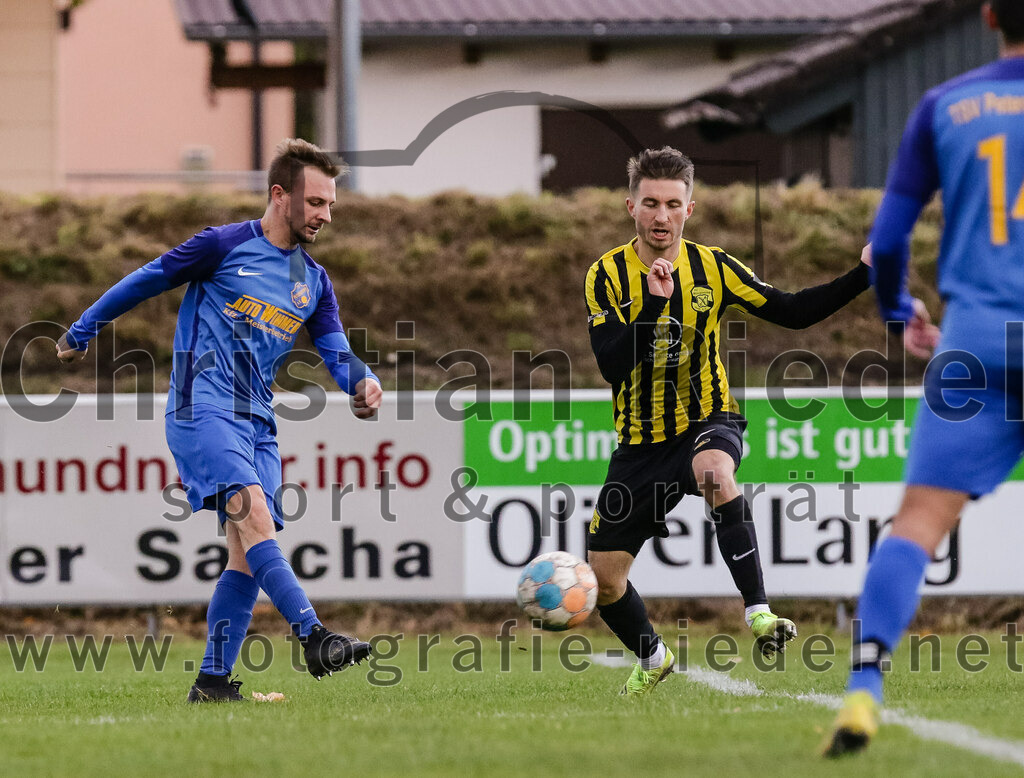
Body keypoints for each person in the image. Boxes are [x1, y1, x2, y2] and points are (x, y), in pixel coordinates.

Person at [56, 138, 382, 703]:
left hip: (258, 421)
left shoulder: (314, 280)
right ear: (280, 196)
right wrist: (81, 329)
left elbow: (335, 348)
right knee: (255, 516)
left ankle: (212, 683)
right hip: (200, 408)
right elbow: (146, 279)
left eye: (330, 205)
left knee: (247, 553)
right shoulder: (223, 246)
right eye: (316, 203)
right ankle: (314, 636)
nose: (326, 215)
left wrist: (361, 380)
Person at [584, 146, 871, 695]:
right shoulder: (606, 276)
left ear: (689, 209)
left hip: (707, 418)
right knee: (603, 577)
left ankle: (759, 611)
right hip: (641, 444)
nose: (661, 216)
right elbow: (612, 364)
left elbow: (792, 311)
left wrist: (864, 274)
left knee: (715, 470)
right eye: (650, 203)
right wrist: (653, 304)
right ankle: (654, 656)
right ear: (630, 207)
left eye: (672, 204)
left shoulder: (713, 266)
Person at [825, 1, 1024, 756]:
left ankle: (864, 689)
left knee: (917, 523)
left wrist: (898, 311)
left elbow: (886, 242)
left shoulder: (947, 104)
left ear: (988, 15)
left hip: (973, 344)